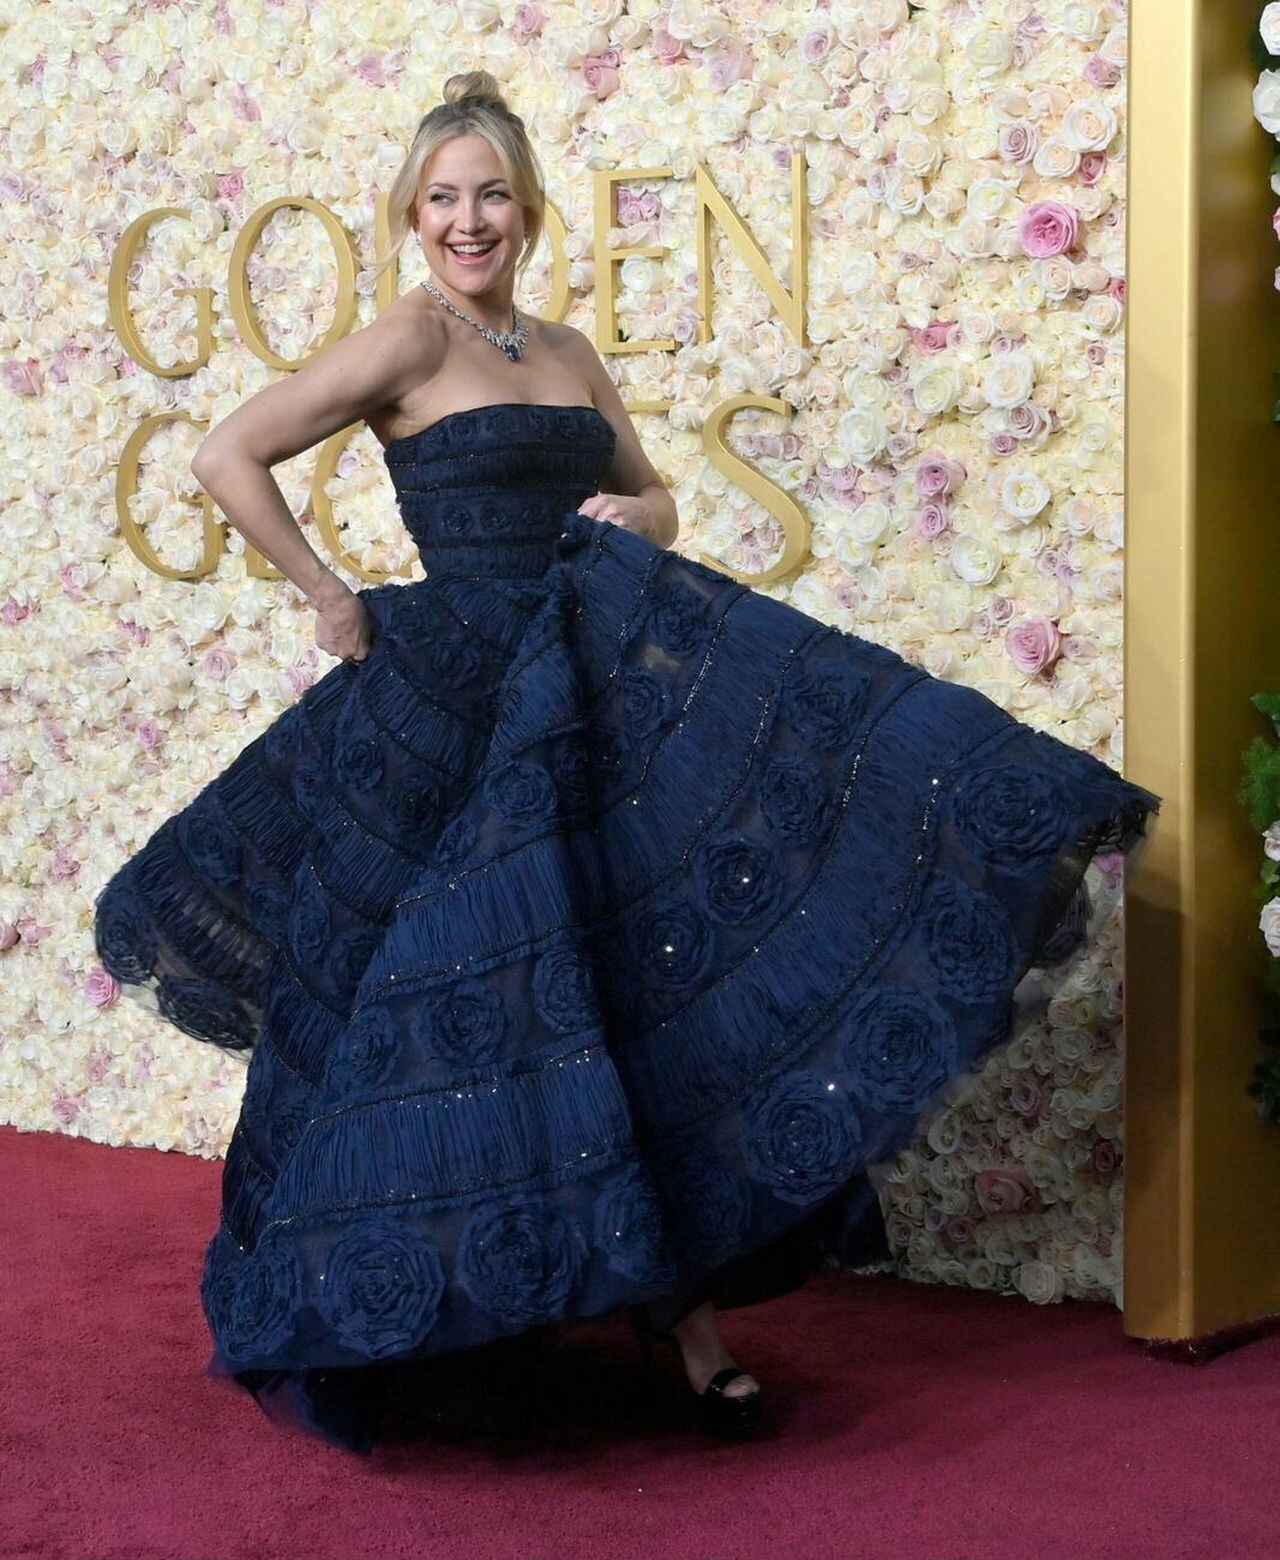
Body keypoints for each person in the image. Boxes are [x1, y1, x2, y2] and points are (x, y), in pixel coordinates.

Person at [94, 69, 1159, 1455]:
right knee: (447, 1011)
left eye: (490, 195)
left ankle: (689, 1323)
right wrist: (328, 596)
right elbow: (228, 453)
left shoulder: (567, 349)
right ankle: (433, 1308)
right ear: (412, 216)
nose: (467, 220)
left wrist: (634, 516)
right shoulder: (407, 335)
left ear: (527, 211)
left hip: (589, 697)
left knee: (634, 991)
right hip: (453, 711)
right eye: (442, 199)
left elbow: (652, 495)